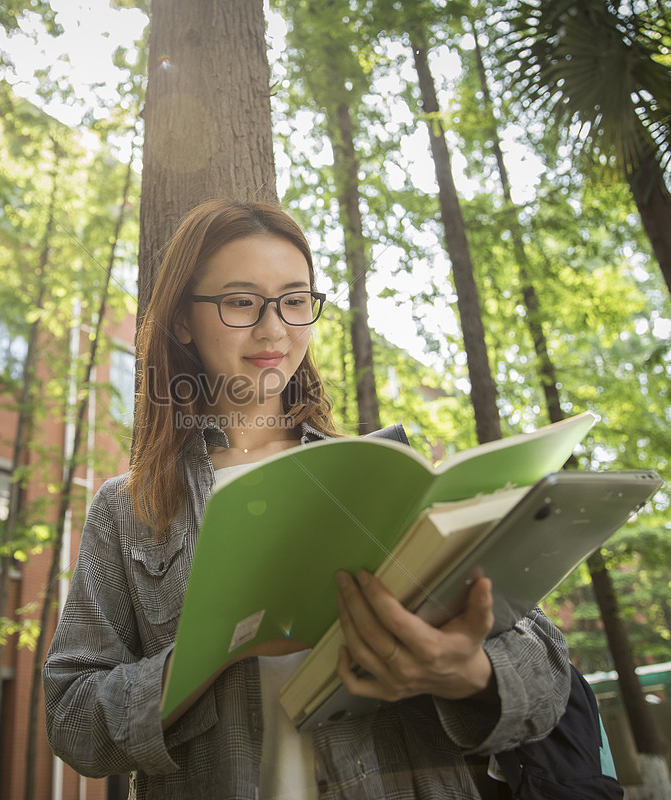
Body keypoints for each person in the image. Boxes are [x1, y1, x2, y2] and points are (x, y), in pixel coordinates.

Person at [43, 199, 571, 799]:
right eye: (241, 301)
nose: (274, 330)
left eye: (294, 300)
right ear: (184, 321)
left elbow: (548, 674)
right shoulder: (129, 509)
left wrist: (469, 672)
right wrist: (211, 653)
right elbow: (72, 719)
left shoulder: (382, 475)